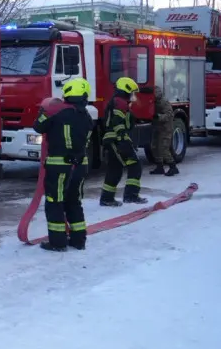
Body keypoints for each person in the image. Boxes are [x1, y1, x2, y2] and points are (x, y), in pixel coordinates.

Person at [33, 77, 93, 252]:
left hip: (59, 167)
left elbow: (38, 126)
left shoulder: (57, 112)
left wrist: (44, 111)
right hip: (80, 166)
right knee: (74, 201)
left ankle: (58, 242)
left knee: (54, 202)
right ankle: (78, 240)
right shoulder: (87, 117)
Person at [100, 77, 148, 207]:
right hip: (117, 139)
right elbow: (117, 122)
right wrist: (122, 139)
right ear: (126, 90)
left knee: (115, 169)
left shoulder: (117, 101)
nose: (133, 96)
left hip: (112, 140)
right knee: (135, 165)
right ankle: (131, 196)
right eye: (132, 92)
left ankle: (107, 198)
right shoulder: (120, 102)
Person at [150, 85, 179, 176]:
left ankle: (173, 167)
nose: (155, 95)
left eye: (156, 93)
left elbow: (169, 115)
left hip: (166, 128)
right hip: (157, 128)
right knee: (155, 147)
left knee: (164, 148)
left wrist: (158, 116)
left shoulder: (164, 102)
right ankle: (159, 167)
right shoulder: (154, 102)